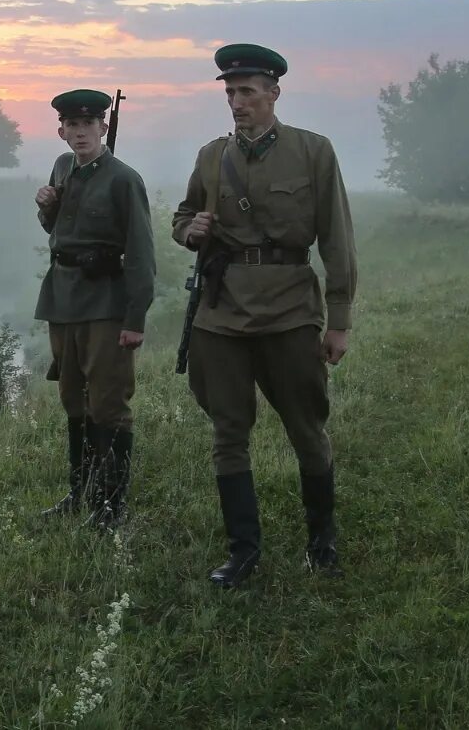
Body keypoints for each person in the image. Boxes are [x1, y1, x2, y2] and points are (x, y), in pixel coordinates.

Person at [171, 43, 358, 587]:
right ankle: (243, 552)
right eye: (230, 92)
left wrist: (339, 319)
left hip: (290, 311)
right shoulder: (211, 155)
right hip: (220, 312)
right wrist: (190, 231)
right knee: (228, 432)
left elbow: (337, 239)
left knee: (307, 428)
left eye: (247, 91)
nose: (237, 101)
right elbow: (184, 215)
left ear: (273, 93)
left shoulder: (312, 152)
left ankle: (321, 544)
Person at [34, 88, 156, 528]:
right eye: (72, 125)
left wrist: (134, 319)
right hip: (63, 298)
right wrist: (46, 208)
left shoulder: (124, 179)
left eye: (89, 124)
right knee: (73, 400)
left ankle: (111, 506)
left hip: (105, 303)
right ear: (61, 130)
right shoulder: (63, 167)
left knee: (107, 405)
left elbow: (141, 253)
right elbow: (60, 230)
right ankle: (79, 492)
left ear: (103, 127)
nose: (80, 132)